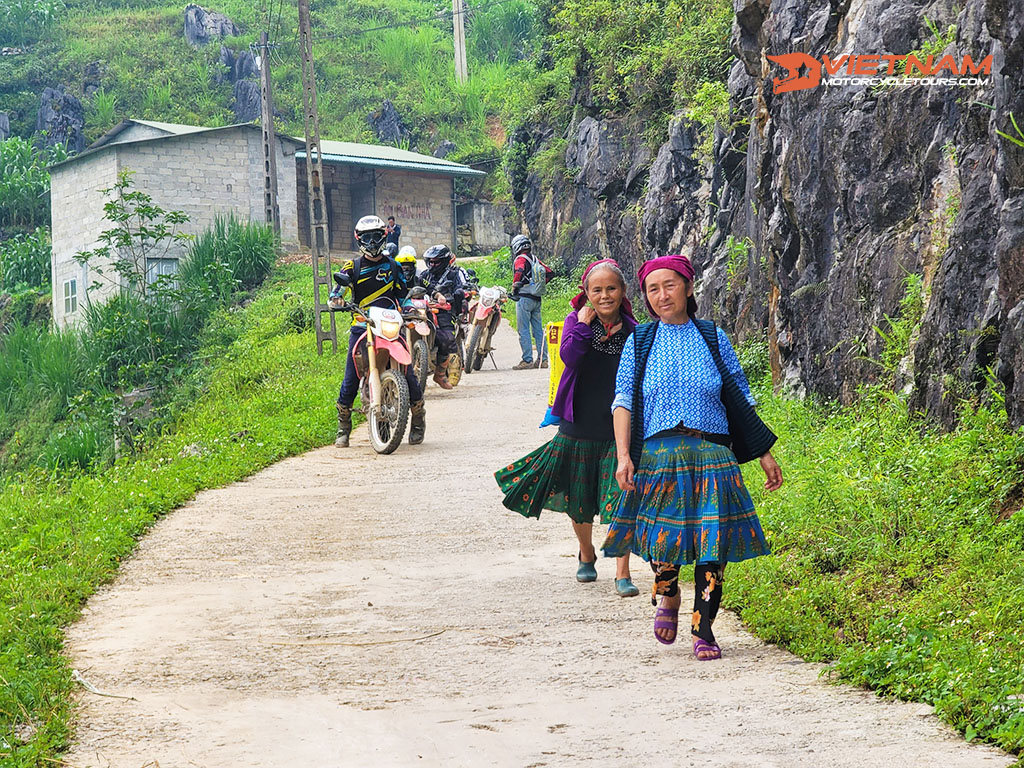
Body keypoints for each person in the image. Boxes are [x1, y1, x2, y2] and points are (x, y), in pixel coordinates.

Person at [601, 254, 783, 659]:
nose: (662, 295)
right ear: (646, 297)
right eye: (653, 289)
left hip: (713, 456)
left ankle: (704, 629)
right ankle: (667, 593)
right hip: (660, 455)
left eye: (670, 285)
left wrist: (763, 452)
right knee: (664, 541)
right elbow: (623, 400)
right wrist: (623, 455)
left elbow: (739, 397)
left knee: (711, 545)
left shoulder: (714, 337)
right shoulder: (641, 341)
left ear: (687, 286)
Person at [496, 259, 640, 597]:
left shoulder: (635, 331)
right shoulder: (576, 323)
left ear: (622, 292)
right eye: (597, 290)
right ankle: (587, 553)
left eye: (611, 289)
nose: (605, 296)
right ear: (587, 293)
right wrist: (581, 325)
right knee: (580, 500)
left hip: (618, 430)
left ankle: (622, 570)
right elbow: (571, 358)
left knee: (622, 497)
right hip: (578, 426)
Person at [332, 215, 426, 447]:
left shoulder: (393, 266)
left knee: (409, 374)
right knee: (350, 380)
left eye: (376, 236)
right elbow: (337, 292)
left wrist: (410, 308)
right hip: (362, 325)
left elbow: (402, 296)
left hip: (390, 325)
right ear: (359, 239)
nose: (372, 241)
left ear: (384, 236)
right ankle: (343, 424)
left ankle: (418, 418)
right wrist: (337, 300)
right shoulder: (351, 267)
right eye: (367, 237)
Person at [420, 244, 467, 390]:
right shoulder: (424, 275)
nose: (432, 265)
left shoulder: (454, 274)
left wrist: (454, 296)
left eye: (436, 262)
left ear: (445, 261)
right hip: (422, 309)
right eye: (430, 262)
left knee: (447, 338)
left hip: (445, 311)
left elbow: (463, 288)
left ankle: (440, 373)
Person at [510, 234, 554, 370]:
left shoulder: (521, 259)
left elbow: (519, 270)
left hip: (524, 299)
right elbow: (550, 273)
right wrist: (537, 285)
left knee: (523, 329)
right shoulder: (535, 259)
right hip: (536, 299)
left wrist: (515, 286)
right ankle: (543, 360)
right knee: (538, 330)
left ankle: (527, 360)